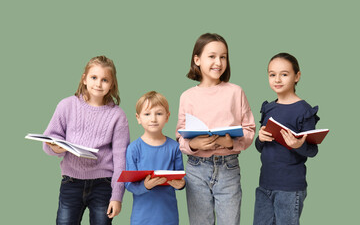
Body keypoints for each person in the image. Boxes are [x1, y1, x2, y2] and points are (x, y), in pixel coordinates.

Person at [176, 33, 256, 225]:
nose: (218, 62)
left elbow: (250, 129)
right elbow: (180, 136)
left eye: (223, 57)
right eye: (212, 56)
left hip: (228, 167)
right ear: (197, 60)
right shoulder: (187, 96)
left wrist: (231, 143)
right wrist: (193, 144)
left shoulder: (235, 92)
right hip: (196, 169)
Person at [43, 55, 130, 225]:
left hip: (103, 185)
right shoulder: (66, 105)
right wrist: (56, 148)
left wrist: (117, 196)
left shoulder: (117, 115)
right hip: (71, 182)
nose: (98, 84)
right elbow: (48, 142)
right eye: (94, 77)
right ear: (84, 79)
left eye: (105, 80)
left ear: (112, 85)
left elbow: (121, 159)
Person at [253, 52, 319, 225]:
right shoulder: (268, 108)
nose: (277, 79)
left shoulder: (304, 110)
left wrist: (297, 145)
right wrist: (260, 138)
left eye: (284, 74)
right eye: (272, 75)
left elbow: (312, 150)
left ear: (297, 76)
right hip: (265, 183)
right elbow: (261, 147)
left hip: (290, 187)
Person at [125, 91, 185, 225]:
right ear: (138, 118)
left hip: (168, 216)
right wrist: (145, 185)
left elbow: (180, 176)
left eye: (159, 113)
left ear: (167, 117)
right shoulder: (133, 148)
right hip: (141, 218)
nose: (153, 119)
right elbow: (129, 184)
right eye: (147, 114)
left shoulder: (175, 147)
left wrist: (181, 184)